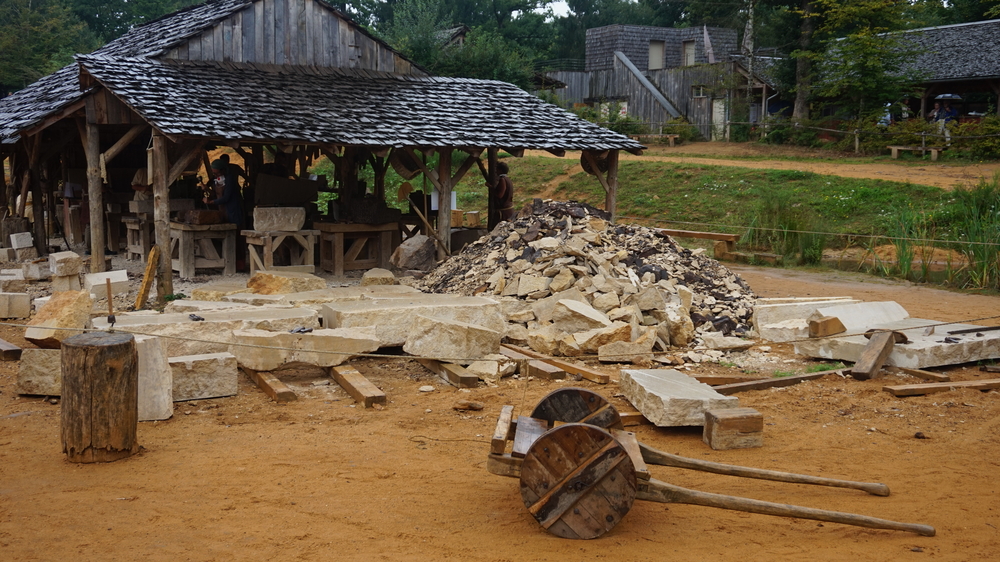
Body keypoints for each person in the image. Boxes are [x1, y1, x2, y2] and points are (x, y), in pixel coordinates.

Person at [204, 159, 243, 228]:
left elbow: (226, 198)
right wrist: (207, 189)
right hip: (222, 208)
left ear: (223, 170)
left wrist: (211, 202)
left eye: (217, 173)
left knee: (235, 228)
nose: (216, 175)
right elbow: (216, 194)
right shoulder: (216, 180)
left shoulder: (229, 180)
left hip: (232, 209)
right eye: (214, 173)